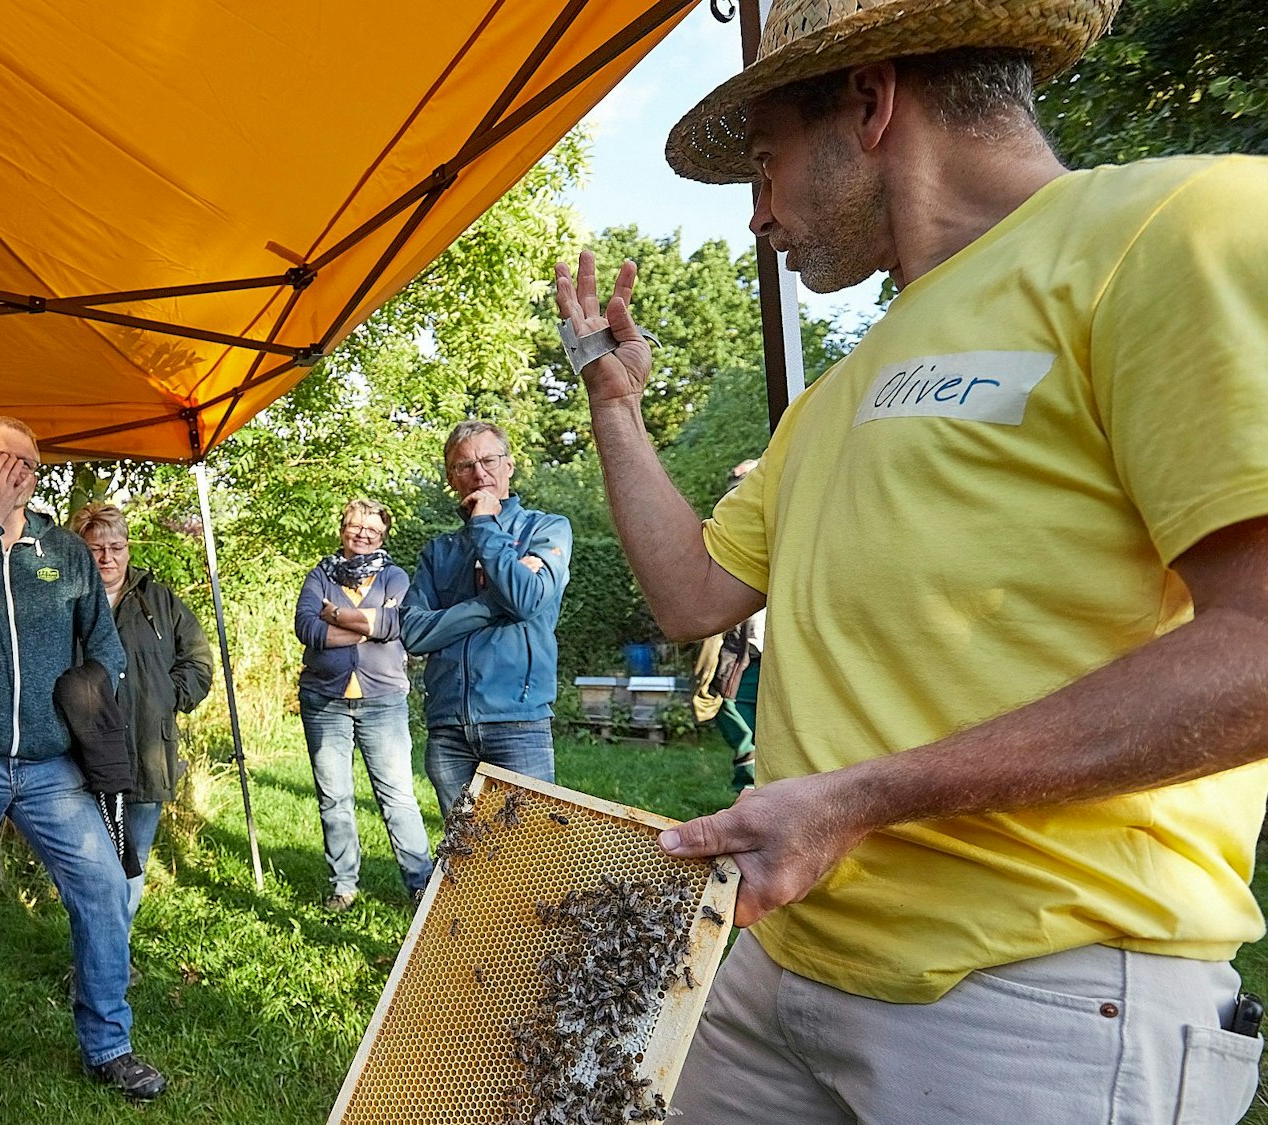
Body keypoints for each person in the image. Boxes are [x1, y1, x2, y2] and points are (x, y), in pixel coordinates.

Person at [559, 0, 1268, 1116]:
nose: (760, 217)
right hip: (780, 964)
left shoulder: (1179, 222)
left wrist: (867, 799)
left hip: (1044, 1003)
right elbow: (691, 593)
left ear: (870, 101)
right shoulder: (845, 381)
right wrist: (611, 400)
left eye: (763, 165)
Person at [0, 417, 163, 1119]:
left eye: (28, 461)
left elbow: (104, 643)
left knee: (106, 890)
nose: (19, 472)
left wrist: (90, 693)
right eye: (2, 460)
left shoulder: (63, 550)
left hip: (49, 764)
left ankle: (108, 1042)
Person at [400, 421, 572, 816]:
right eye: (465, 466)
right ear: (451, 478)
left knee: (529, 857)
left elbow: (526, 599)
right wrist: (493, 603)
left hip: (518, 724)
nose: (479, 473)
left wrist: (484, 524)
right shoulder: (438, 551)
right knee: (467, 861)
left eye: (489, 460)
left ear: (509, 465)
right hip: (448, 730)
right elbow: (413, 632)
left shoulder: (546, 529)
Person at [69, 502, 213, 921]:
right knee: (89, 865)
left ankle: (115, 955)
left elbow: (199, 659)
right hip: (82, 756)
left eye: (116, 546)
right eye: (96, 548)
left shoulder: (159, 600)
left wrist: (168, 697)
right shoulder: (63, 600)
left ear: (128, 547)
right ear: (80, 550)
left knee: (134, 862)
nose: (107, 558)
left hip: (148, 750)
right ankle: (95, 955)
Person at [290, 498, 433, 911]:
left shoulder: (395, 578)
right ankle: (344, 885)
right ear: (342, 530)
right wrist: (365, 629)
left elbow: (396, 625)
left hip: (382, 701)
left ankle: (420, 884)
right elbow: (306, 626)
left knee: (398, 797)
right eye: (355, 526)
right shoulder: (321, 574)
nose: (363, 534)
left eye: (372, 529)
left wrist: (335, 615)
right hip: (325, 700)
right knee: (334, 798)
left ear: (383, 534)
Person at [689, 459, 763, 793]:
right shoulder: (727, 536)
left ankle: (756, 783)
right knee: (728, 704)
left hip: (776, 649)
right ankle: (747, 784)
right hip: (742, 647)